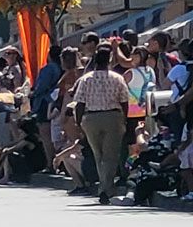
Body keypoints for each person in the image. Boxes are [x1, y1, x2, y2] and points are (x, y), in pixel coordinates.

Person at [72, 43, 129, 204]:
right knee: (111, 155)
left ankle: (104, 187)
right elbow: (124, 101)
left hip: (91, 118)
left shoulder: (85, 79)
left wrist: (79, 123)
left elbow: (79, 103)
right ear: (109, 59)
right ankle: (106, 188)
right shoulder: (117, 78)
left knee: (99, 155)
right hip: (113, 116)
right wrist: (124, 118)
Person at [30, 45, 63, 171]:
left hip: (44, 103)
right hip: (58, 102)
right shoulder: (62, 69)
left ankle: (50, 163)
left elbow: (42, 86)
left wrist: (34, 93)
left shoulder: (48, 68)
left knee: (46, 135)